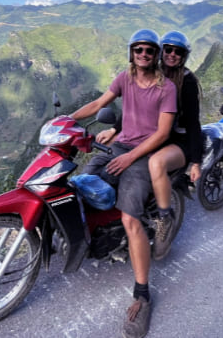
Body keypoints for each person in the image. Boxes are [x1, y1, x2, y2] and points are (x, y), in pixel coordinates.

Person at [71, 29, 177, 338]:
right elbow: (99, 102)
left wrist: (130, 159)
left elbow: (162, 133)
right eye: (138, 49)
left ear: (156, 55)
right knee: (80, 184)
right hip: (119, 146)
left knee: (130, 218)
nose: (144, 54)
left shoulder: (166, 87)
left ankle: (142, 293)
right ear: (131, 52)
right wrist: (65, 121)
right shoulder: (125, 78)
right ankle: (97, 237)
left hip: (144, 156)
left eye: (149, 50)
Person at [98, 31, 203, 261]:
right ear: (161, 51)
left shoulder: (186, 82)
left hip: (178, 140)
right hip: (152, 136)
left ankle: (164, 219)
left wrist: (196, 161)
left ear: (184, 56)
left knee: (156, 163)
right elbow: (133, 109)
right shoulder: (150, 73)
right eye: (168, 50)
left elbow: (194, 123)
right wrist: (115, 130)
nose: (172, 55)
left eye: (178, 52)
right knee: (108, 155)